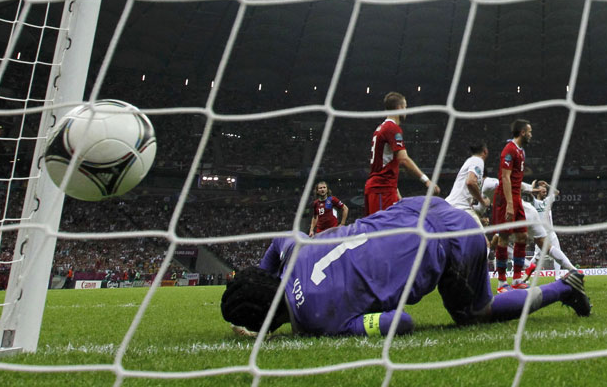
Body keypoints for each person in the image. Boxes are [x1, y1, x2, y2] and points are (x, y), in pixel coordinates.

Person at [221, 196, 590, 337]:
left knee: (477, 314)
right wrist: (267, 273)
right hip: (419, 206)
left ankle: (563, 287)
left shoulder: (319, 322)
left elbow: (401, 322)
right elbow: (280, 239)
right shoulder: (294, 254)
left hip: (451, 243)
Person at [364, 92, 440, 216]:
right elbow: (403, 159)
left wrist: (395, 191)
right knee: (383, 228)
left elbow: (387, 162)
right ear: (399, 108)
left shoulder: (381, 127)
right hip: (382, 189)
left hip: (381, 188)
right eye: (405, 107)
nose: (406, 111)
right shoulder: (392, 128)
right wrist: (427, 181)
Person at [492, 119, 532, 292]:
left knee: (522, 236)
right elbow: (505, 177)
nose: (531, 135)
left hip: (516, 197)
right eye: (529, 132)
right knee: (504, 237)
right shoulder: (509, 150)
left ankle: (516, 279)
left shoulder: (521, 151)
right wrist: (509, 204)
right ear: (522, 132)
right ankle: (501, 282)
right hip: (505, 198)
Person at [528, 181, 576, 281]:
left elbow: (557, 192)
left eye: (546, 191)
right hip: (541, 234)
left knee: (558, 252)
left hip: (551, 233)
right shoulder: (535, 202)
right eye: (543, 192)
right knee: (537, 258)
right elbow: (529, 192)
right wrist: (535, 188)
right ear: (538, 192)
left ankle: (557, 276)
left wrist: (547, 185)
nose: (545, 193)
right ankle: (526, 274)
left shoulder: (547, 201)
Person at [445, 141, 490, 226]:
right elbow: (470, 182)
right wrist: (482, 201)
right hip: (461, 206)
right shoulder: (478, 160)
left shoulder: (470, 160)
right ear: (485, 151)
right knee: (480, 234)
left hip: (451, 205)